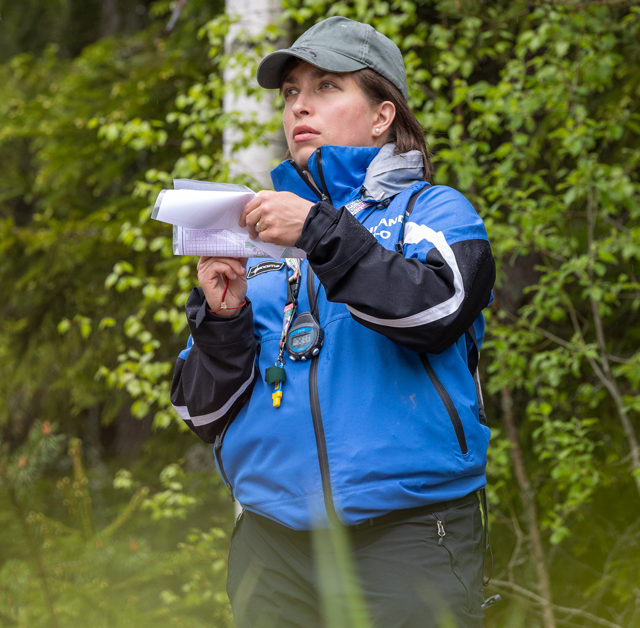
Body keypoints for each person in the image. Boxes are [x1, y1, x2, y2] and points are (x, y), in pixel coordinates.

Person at [169, 16, 496, 628]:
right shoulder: (256, 243)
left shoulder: (433, 211)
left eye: (325, 87)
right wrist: (224, 316)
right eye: (292, 92)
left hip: (409, 534)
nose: (300, 107)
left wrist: (318, 232)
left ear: (382, 115)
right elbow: (200, 413)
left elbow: (438, 310)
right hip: (274, 547)